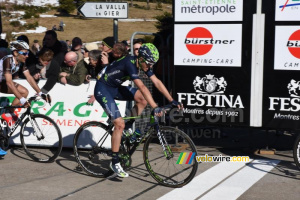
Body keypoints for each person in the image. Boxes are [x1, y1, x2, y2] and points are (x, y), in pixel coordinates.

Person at [93, 43, 183, 177]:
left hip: (115, 87)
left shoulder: (142, 63)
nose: (150, 66)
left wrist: (171, 100)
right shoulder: (130, 63)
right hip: (102, 89)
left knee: (142, 99)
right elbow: (142, 87)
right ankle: (115, 161)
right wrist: (155, 107)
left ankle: (128, 128)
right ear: (140, 58)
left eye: (153, 63)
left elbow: (157, 82)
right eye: (149, 63)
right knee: (119, 124)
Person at [0, 41, 50, 156]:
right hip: (4, 82)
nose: (27, 56)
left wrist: (41, 93)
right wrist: (22, 101)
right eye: (24, 53)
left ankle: (8, 114)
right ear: (16, 52)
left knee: (24, 91)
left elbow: (29, 78)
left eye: (28, 53)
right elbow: (9, 83)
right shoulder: (8, 59)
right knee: (21, 95)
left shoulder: (21, 62)